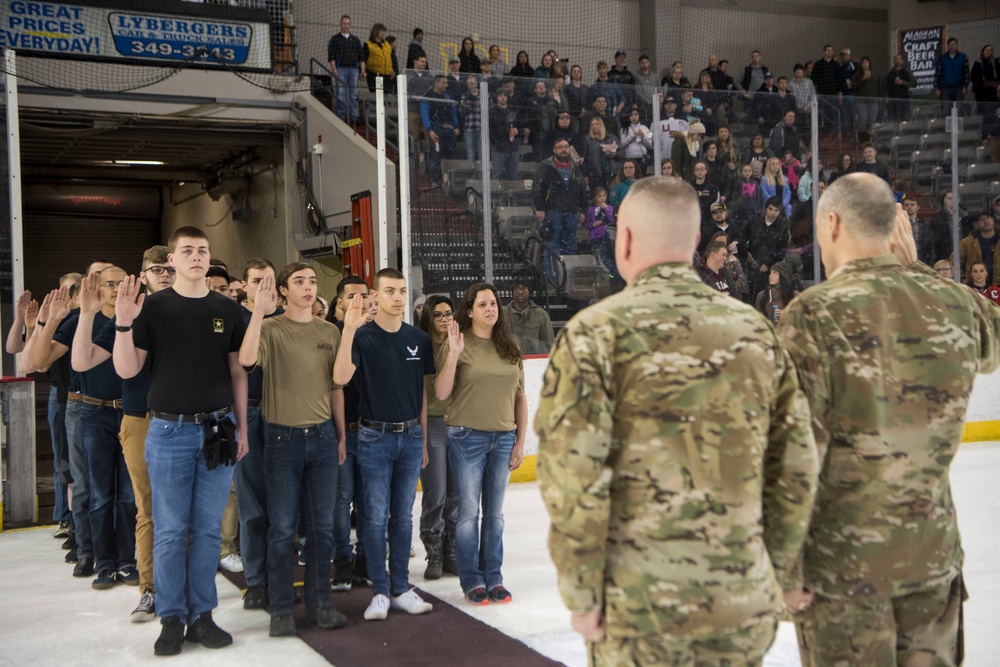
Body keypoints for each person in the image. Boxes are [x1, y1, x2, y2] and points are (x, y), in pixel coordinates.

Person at [536, 175, 818, 665]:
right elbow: (795, 467)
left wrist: (582, 592)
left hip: (637, 608)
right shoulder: (756, 332)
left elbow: (573, 478)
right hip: (740, 600)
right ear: (694, 242)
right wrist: (775, 573)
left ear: (623, 239)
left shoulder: (593, 336)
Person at [777, 172, 1000, 667]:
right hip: (933, 561)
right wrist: (915, 267)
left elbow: (791, 458)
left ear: (831, 223)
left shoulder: (813, 314)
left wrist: (785, 574)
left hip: (844, 574)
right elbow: (994, 341)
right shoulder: (957, 304)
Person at [112, 226, 248, 656]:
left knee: (208, 531)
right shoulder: (153, 308)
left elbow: (238, 372)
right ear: (171, 260)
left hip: (218, 429)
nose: (196, 256)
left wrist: (241, 427)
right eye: (186, 250)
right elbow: (128, 370)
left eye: (202, 250)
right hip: (168, 431)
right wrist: (122, 321)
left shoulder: (227, 308)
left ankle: (202, 615)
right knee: (171, 531)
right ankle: (171, 618)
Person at [238, 263, 348, 637]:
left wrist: (340, 433)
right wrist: (257, 311)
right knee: (282, 529)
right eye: (298, 281)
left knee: (322, 529)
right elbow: (247, 359)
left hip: (320, 438)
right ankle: (282, 608)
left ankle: (321, 603)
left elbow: (339, 382)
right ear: (283, 290)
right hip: (281, 439)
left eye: (312, 281)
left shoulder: (329, 331)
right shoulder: (270, 328)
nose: (307, 286)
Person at [70, 248, 175, 621]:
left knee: (187, 513)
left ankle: (187, 589)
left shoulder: (197, 309)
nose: (165, 274)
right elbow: (82, 361)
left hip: (188, 420)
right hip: (141, 419)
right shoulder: (130, 311)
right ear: (142, 275)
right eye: (157, 269)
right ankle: (149, 589)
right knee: (145, 509)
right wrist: (85, 311)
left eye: (170, 268)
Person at [332, 268, 435, 622]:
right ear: (375, 295)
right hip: (373, 437)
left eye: (403, 291)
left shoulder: (419, 339)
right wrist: (349, 330)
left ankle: (401, 587)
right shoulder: (362, 337)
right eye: (390, 291)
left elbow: (420, 393)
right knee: (374, 517)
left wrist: (421, 438)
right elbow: (341, 377)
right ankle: (379, 589)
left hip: (410, 437)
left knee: (403, 516)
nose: (398, 297)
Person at [434, 283, 527, 605]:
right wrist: (454, 355)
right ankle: (472, 580)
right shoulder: (457, 343)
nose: (491, 309)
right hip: (466, 437)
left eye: (494, 304)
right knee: (469, 513)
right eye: (483, 304)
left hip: (502, 438)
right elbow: (442, 393)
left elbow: (520, 397)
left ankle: (494, 577)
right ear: (470, 310)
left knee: (496, 514)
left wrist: (520, 441)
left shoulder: (509, 348)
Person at [234, 258, 284, 611]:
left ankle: (280, 578)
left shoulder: (288, 322)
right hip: (248, 413)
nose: (264, 287)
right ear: (244, 286)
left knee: (285, 508)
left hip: (286, 416)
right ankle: (256, 582)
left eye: (269, 280)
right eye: (257, 281)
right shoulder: (233, 321)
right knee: (252, 506)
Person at [416, 296, 460, 580]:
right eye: (438, 314)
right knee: (437, 493)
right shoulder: (421, 347)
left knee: (456, 493)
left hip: (458, 424)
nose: (444, 319)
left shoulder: (459, 344)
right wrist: (420, 438)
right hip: (431, 425)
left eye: (448, 314)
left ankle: (451, 551)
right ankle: (433, 550)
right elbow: (420, 395)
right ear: (428, 317)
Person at [533, 137, 588, 281]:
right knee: (552, 246)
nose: (564, 149)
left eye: (566, 146)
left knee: (570, 247)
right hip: (552, 211)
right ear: (554, 150)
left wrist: (583, 210)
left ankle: (568, 281)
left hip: (571, 212)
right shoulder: (545, 167)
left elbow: (582, 188)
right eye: (560, 147)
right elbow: (537, 188)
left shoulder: (575, 167)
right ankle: (553, 280)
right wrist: (540, 208)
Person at [420, 75, 460, 187]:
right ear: (436, 83)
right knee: (435, 154)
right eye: (444, 83)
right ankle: (434, 179)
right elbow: (424, 114)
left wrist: (456, 126)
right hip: (436, 128)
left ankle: (448, 180)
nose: (446, 85)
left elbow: (453, 111)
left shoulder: (447, 96)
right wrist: (430, 130)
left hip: (448, 128)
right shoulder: (427, 97)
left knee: (450, 154)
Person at [327, 15, 365, 124]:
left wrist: (362, 69)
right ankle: (341, 116)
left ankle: (353, 117)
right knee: (341, 94)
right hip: (341, 69)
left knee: (353, 94)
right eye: (344, 23)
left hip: (354, 69)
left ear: (350, 25)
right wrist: (334, 68)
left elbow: (361, 56)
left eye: (348, 24)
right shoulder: (335, 39)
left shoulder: (356, 40)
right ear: (340, 24)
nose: (346, 26)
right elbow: (331, 56)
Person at [505, 278, 554, 355]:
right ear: (512, 292)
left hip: (534, 361)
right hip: (508, 361)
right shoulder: (502, 314)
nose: (520, 292)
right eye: (516, 288)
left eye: (524, 288)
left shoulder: (541, 315)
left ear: (530, 292)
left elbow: (548, 345)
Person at [958, 211, 1000, 285]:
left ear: (992, 219)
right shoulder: (967, 242)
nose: (986, 221)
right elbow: (956, 262)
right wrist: (962, 278)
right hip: (975, 285)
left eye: (988, 218)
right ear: (976, 224)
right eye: (981, 219)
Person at [935, 37, 970, 114]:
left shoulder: (963, 57)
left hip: (959, 88)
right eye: (949, 45)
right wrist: (937, 87)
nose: (951, 46)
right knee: (945, 109)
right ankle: (947, 125)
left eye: (953, 44)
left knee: (959, 109)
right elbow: (937, 73)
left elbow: (966, 73)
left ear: (956, 45)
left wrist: (965, 86)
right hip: (945, 88)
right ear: (947, 46)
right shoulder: (942, 58)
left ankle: (958, 125)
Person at [851, 56, 884, 134]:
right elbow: (853, 87)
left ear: (869, 64)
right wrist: (863, 79)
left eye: (866, 62)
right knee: (862, 121)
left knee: (872, 122)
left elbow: (880, 87)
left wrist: (881, 99)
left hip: (873, 101)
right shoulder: (857, 75)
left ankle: (871, 139)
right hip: (861, 101)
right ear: (861, 65)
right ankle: (862, 139)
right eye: (863, 63)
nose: (865, 64)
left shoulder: (875, 74)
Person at [618, 109, 652, 174]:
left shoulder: (645, 128)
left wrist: (643, 137)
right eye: (631, 115)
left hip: (642, 158)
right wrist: (631, 137)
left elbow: (650, 145)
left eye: (636, 114)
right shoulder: (624, 129)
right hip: (629, 158)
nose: (634, 117)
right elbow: (621, 145)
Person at [363, 23, 394, 94]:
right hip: (376, 75)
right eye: (381, 31)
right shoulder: (368, 44)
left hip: (387, 76)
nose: (383, 33)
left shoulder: (386, 44)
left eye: (384, 31)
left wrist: (392, 70)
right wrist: (363, 70)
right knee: (379, 96)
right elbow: (364, 59)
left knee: (388, 95)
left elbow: (389, 58)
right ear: (376, 31)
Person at [886, 53, 917, 122]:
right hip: (893, 99)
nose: (898, 60)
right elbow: (886, 86)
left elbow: (914, 83)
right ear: (893, 61)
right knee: (893, 118)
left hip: (904, 98)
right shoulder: (890, 73)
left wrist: (903, 83)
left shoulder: (906, 71)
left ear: (902, 61)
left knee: (905, 118)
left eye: (899, 59)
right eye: (896, 59)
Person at [971, 45, 999, 117]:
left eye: (990, 50)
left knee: (993, 110)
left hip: (993, 91)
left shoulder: (995, 63)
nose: (988, 51)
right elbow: (972, 76)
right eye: (986, 49)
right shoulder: (978, 63)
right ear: (983, 52)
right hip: (981, 91)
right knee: (982, 111)